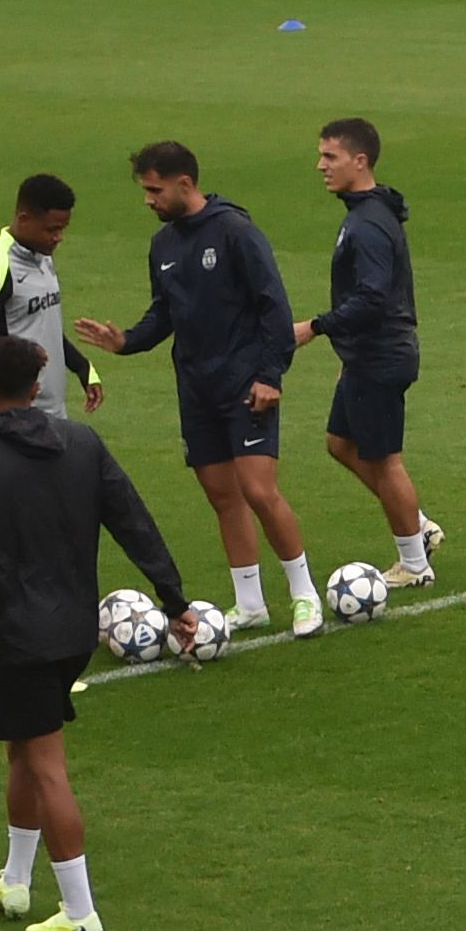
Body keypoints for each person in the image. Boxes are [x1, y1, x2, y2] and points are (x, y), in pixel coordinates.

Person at [0, 334, 195, 931]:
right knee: (23, 752)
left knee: (46, 764)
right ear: (36, 386)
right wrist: (174, 600)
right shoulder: (81, 442)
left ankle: (80, 911)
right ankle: (16, 879)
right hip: (73, 630)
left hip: (15, 635)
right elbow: (133, 520)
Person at [73, 141, 320, 639]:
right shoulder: (163, 244)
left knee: (258, 490)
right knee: (221, 495)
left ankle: (304, 594)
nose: (148, 200)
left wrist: (271, 376)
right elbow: (165, 312)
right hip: (196, 388)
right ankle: (250, 603)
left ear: (184, 183)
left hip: (245, 383)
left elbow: (273, 306)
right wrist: (125, 342)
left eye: (154, 189)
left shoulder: (235, 232)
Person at [296, 119, 442, 591]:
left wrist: (315, 327)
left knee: (385, 459)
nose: (321, 165)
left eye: (330, 157)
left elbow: (374, 297)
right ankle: (416, 525)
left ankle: (415, 563)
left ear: (360, 161)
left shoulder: (369, 223)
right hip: (367, 353)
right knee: (341, 444)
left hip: (380, 355)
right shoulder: (368, 210)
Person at [0, 173, 100, 420]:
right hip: (19, 412)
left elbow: (44, 325)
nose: (58, 237)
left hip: (53, 408)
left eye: (62, 229)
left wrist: (82, 367)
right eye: (52, 230)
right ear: (24, 219)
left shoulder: (42, 255)